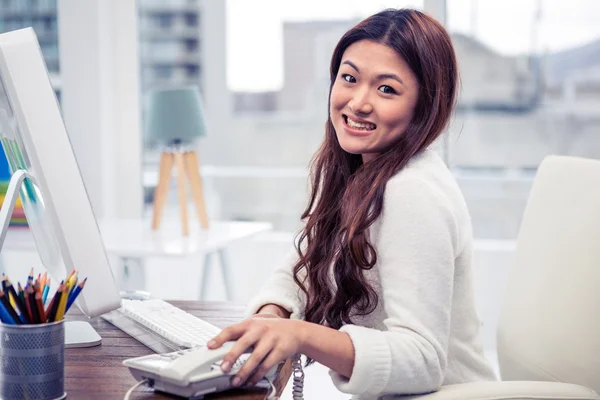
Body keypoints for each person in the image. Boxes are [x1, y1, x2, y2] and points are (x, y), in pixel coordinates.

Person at [208, 8, 497, 399]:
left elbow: (423, 360)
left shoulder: (411, 192)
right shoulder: (357, 171)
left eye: (386, 89)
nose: (358, 102)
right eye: (349, 78)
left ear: (424, 105)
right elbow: (306, 266)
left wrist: (301, 335)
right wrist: (271, 315)